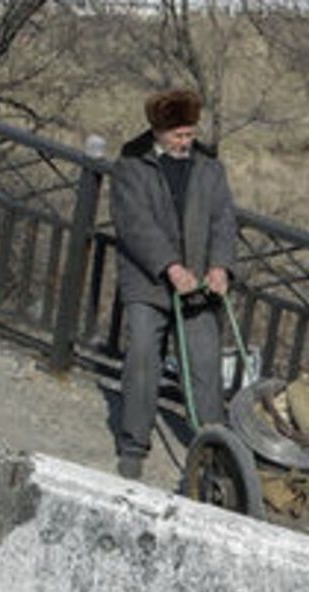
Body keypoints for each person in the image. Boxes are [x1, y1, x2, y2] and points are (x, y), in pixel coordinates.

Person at [110, 88, 238, 480]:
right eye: (179, 135)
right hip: (148, 282)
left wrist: (220, 266)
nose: (187, 141)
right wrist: (169, 266)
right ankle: (134, 443)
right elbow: (135, 224)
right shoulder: (131, 166)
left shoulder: (209, 168)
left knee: (204, 365)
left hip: (198, 284)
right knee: (143, 359)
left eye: (190, 133)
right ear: (158, 131)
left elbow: (223, 221)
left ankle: (212, 449)